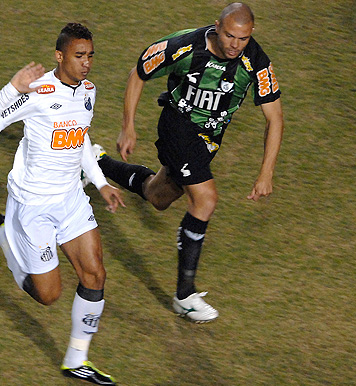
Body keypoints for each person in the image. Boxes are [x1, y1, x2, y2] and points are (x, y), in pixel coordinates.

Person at [90, 2, 283, 323]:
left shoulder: (256, 63)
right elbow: (139, 73)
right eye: (231, 36)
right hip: (177, 125)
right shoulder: (184, 46)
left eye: (244, 38)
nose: (236, 44)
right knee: (205, 200)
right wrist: (128, 127)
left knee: (158, 196)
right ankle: (184, 296)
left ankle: (96, 164)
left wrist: (266, 173)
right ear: (217, 27)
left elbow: (274, 118)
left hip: (208, 140)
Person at [0, 23, 125, 386]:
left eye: (90, 56)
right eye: (78, 56)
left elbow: (81, 140)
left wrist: (101, 183)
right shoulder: (36, 92)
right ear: (60, 56)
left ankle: (76, 359)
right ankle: (5, 237)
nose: (86, 64)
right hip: (33, 206)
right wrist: (12, 89)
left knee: (95, 274)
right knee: (48, 295)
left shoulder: (88, 91)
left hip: (71, 199)